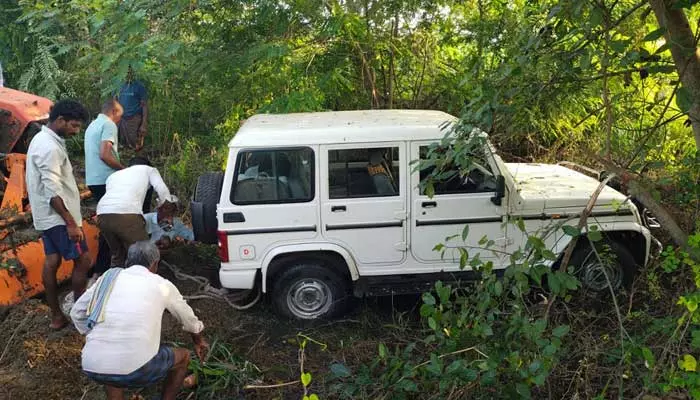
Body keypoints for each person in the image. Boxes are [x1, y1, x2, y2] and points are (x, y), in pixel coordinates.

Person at [70, 241, 208, 400]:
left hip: (92, 365)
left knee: (114, 370)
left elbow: (76, 313)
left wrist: (94, 336)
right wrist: (198, 340)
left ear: (128, 261)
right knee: (183, 357)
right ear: (155, 264)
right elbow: (188, 318)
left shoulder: (107, 278)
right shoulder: (161, 284)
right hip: (135, 368)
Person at [25, 99, 91, 330]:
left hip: (47, 218)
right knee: (84, 260)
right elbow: (52, 190)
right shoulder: (49, 147)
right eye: (74, 125)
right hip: (58, 218)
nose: (76, 130)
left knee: (52, 261)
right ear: (60, 120)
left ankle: (57, 317)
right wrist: (71, 223)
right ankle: (81, 316)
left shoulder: (42, 140)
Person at [96, 157, 178, 268]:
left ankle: (115, 281)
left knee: (118, 256)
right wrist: (167, 215)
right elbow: (163, 191)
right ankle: (144, 283)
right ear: (147, 165)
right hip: (126, 214)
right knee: (145, 256)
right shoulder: (149, 170)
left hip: (102, 214)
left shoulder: (114, 175)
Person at [84, 97, 126, 277]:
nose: (119, 121)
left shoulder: (93, 125)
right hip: (106, 180)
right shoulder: (109, 125)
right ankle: (103, 268)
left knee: (106, 222)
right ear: (114, 112)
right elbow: (105, 154)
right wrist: (124, 170)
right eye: (119, 117)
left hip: (93, 180)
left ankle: (100, 266)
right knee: (111, 225)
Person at [116, 65, 148, 151]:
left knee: (135, 145)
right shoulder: (118, 85)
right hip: (120, 119)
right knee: (121, 144)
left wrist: (144, 124)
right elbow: (114, 102)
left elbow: (144, 105)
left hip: (134, 119)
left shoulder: (139, 86)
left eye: (129, 72)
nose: (127, 74)